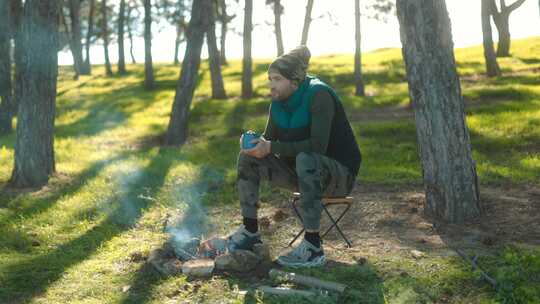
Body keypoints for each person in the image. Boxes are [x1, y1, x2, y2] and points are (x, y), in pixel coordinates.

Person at [227, 45, 361, 268]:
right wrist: (255, 145)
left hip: (338, 176)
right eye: (270, 79)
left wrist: (271, 147)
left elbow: (317, 146)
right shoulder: (278, 102)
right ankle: (250, 231)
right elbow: (269, 140)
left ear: (294, 81)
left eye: (277, 79)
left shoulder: (319, 95)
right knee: (248, 158)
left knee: (306, 158)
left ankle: (313, 247)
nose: (272, 85)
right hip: (302, 173)